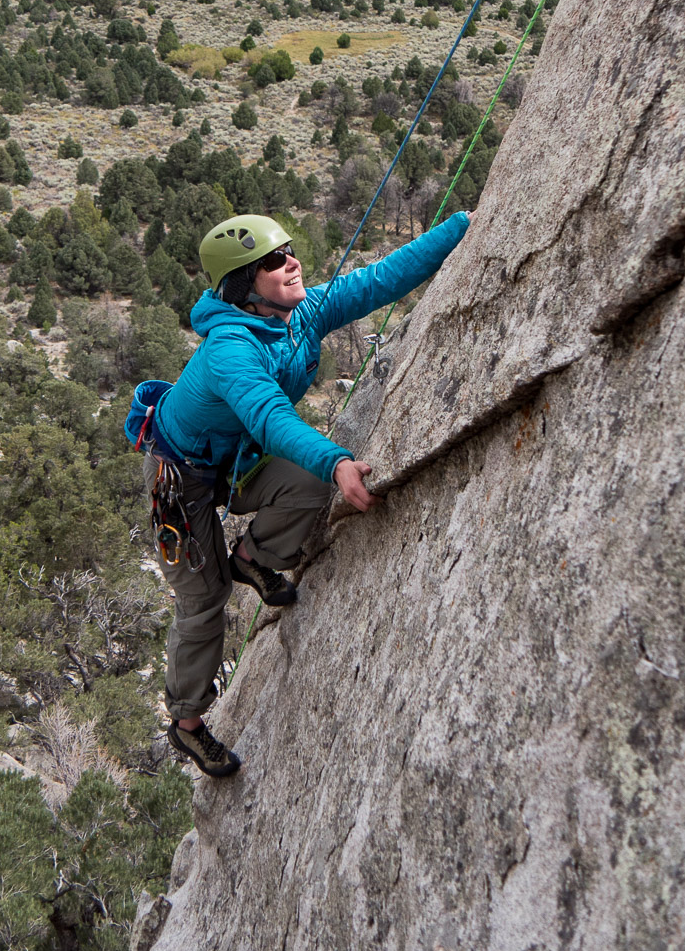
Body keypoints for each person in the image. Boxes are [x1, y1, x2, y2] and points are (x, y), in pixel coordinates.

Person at [133, 210, 471, 777]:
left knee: (310, 485)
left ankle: (254, 557)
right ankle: (187, 724)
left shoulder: (300, 311)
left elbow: (377, 281)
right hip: (180, 479)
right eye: (273, 260)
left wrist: (460, 224)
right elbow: (268, 417)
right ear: (243, 285)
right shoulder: (230, 349)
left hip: (234, 459)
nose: (291, 262)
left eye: (288, 250)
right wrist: (338, 459)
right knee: (204, 602)